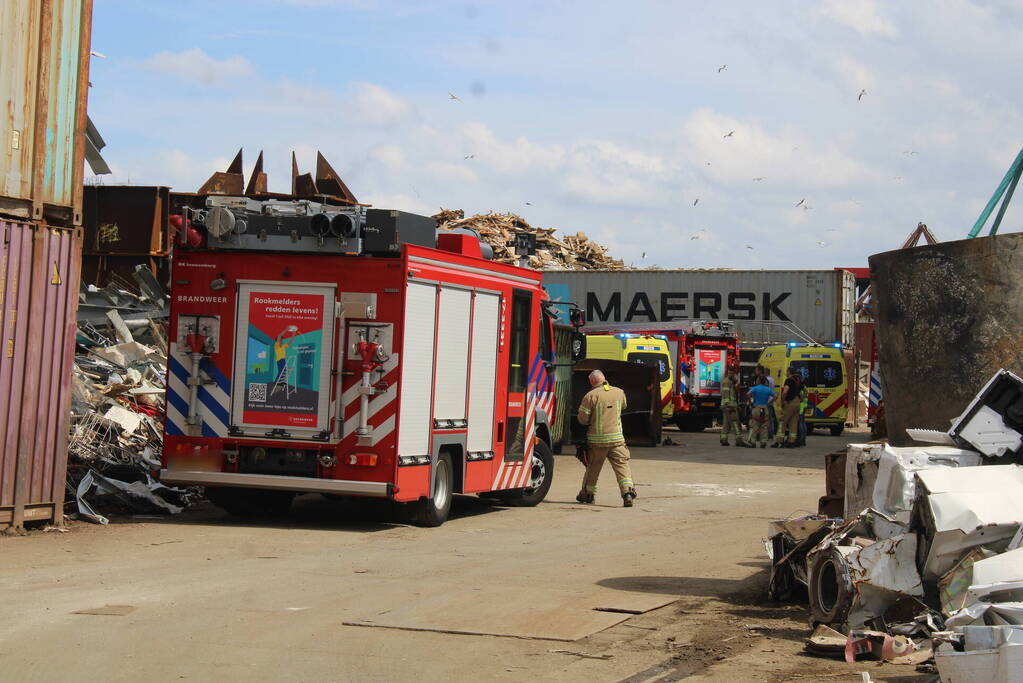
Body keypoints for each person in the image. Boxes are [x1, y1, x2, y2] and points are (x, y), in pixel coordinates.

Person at [576, 369, 637, 507]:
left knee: (593, 468)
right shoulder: (619, 392)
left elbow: (582, 420)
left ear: (592, 381)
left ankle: (588, 494)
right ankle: (627, 493)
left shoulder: (590, 396)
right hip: (617, 440)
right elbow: (623, 406)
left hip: (597, 442)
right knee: (622, 467)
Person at [772, 366, 801, 448]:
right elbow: (802, 392)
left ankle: (779, 441)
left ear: (789, 372)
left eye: (787, 371)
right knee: (793, 423)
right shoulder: (798, 380)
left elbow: (785, 391)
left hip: (790, 403)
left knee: (782, 421)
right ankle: (791, 442)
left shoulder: (789, 380)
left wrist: (783, 400)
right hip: (797, 402)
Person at [745, 376, 776, 448]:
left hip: (757, 408)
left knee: (754, 425)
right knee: (764, 426)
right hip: (765, 408)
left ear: (759, 381)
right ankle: (763, 442)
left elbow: (748, 394)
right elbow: (775, 396)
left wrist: (751, 402)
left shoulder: (755, 388)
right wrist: (769, 403)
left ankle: (753, 442)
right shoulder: (768, 389)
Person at [719, 369, 742, 446]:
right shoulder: (727, 382)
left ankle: (724, 439)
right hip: (729, 407)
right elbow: (726, 394)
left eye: (732, 373)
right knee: (735, 423)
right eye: (729, 373)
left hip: (729, 406)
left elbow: (733, 395)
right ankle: (738, 440)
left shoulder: (731, 382)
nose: (730, 374)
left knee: (726, 424)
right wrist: (728, 405)